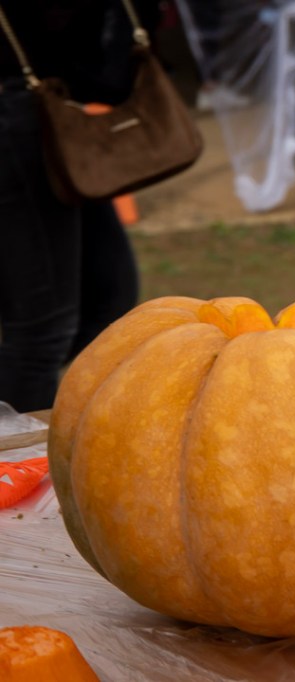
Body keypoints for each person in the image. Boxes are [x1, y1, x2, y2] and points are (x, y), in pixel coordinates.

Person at [0, 0, 159, 412]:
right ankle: (18, 449)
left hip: (49, 109)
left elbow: (102, 78)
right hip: (16, 114)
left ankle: (76, 426)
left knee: (109, 301)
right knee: (40, 330)